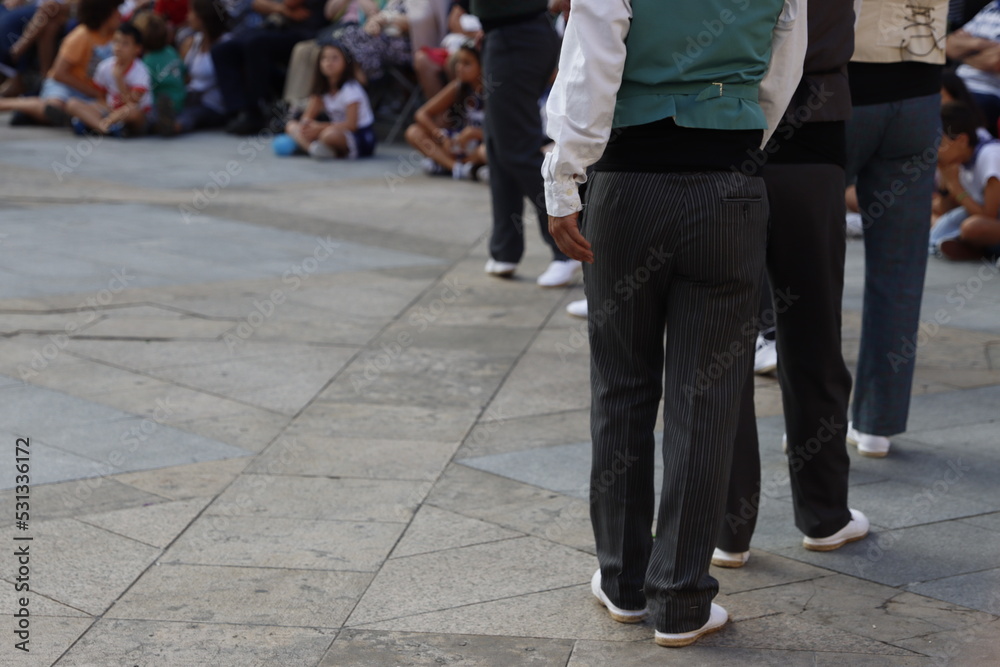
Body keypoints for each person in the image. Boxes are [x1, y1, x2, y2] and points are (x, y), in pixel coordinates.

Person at [544, 0, 805, 648]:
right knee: (707, 395)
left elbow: (592, 63)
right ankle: (682, 598)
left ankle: (625, 582)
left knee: (622, 386)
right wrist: (734, 142)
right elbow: (781, 71)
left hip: (629, 184)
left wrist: (563, 177)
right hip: (728, 182)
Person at [714, 1, 869, 571]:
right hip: (811, 132)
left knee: (722, 342)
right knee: (813, 338)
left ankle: (728, 527)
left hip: (727, 129)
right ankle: (825, 515)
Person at [846, 0, 947, 457]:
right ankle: (876, 424)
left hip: (840, 89)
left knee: (808, 264)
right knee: (900, 271)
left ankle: (809, 419)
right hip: (919, 90)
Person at [473, 0, 578, 287]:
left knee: (518, 148)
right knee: (498, 144)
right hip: (503, 34)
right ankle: (505, 248)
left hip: (520, 36)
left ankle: (567, 248)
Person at [213, 0, 327, 135]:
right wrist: (281, 9)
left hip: (308, 31)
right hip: (279, 25)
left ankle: (255, 111)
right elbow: (254, 3)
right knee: (223, 50)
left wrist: (278, 7)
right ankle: (238, 110)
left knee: (256, 44)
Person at [0, 0, 119, 124]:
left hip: (88, 92)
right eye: (116, 10)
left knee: (93, 110)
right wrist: (93, 92)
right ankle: (6, 104)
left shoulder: (116, 37)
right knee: (55, 108)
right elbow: (59, 74)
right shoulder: (81, 36)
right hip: (66, 86)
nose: (119, 14)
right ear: (104, 13)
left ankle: (31, 114)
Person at [275, 39, 376, 158]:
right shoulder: (321, 89)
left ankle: (323, 150)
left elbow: (351, 125)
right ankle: (313, 149)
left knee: (328, 135)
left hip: (358, 135)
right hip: (330, 129)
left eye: (335, 58)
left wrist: (319, 127)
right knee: (291, 126)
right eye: (324, 58)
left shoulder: (351, 89)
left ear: (346, 62)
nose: (329, 62)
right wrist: (306, 127)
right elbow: (307, 117)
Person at [405, 41, 486, 180]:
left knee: (486, 152)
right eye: (458, 63)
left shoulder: (493, 90)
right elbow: (422, 113)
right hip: (460, 143)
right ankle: (456, 168)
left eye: (467, 64)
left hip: (482, 144)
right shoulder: (458, 86)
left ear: (483, 66)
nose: (459, 68)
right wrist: (441, 137)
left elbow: (506, 132)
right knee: (413, 132)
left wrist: (475, 134)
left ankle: (443, 164)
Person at [932, 101, 1000, 258]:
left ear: (962, 140)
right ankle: (968, 246)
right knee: (929, 208)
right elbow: (944, 210)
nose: (934, 151)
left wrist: (956, 186)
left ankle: (975, 249)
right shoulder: (960, 161)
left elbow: (988, 216)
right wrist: (945, 182)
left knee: (973, 228)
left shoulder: (990, 156)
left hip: (989, 220)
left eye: (939, 143)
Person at [66, 21, 152, 136]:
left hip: (132, 114)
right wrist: (106, 108)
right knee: (72, 103)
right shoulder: (104, 67)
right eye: (116, 42)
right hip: (111, 111)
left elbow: (132, 104)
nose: (118, 47)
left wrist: (119, 79)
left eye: (125, 44)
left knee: (132, 112)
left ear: (137, 49)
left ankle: (93, 125)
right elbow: (100, 96)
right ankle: (107, 129)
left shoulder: (141, 71)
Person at [168, 0, 228, 134]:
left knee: (192, 114)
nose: (187, 17)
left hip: (213, 104)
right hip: (190, 96)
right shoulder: (192, 42)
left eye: (191, 12)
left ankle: (174, 126)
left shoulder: (226, 44)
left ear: (203, 17)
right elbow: (184, 76)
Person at [947, 1, 1000, 133]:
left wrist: (964, 52)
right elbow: (949, 46)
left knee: (949, 117)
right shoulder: (992, 6)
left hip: (987, 92)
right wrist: (980, 43)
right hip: (957, 82)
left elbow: (995, 62)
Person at [132, 10, 185, 134]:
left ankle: (157, 125)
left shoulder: (145, 63)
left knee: (144, 116)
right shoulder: (171, 51)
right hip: (179, 101)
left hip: (158, 104)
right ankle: (170, 123)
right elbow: (184, 72)